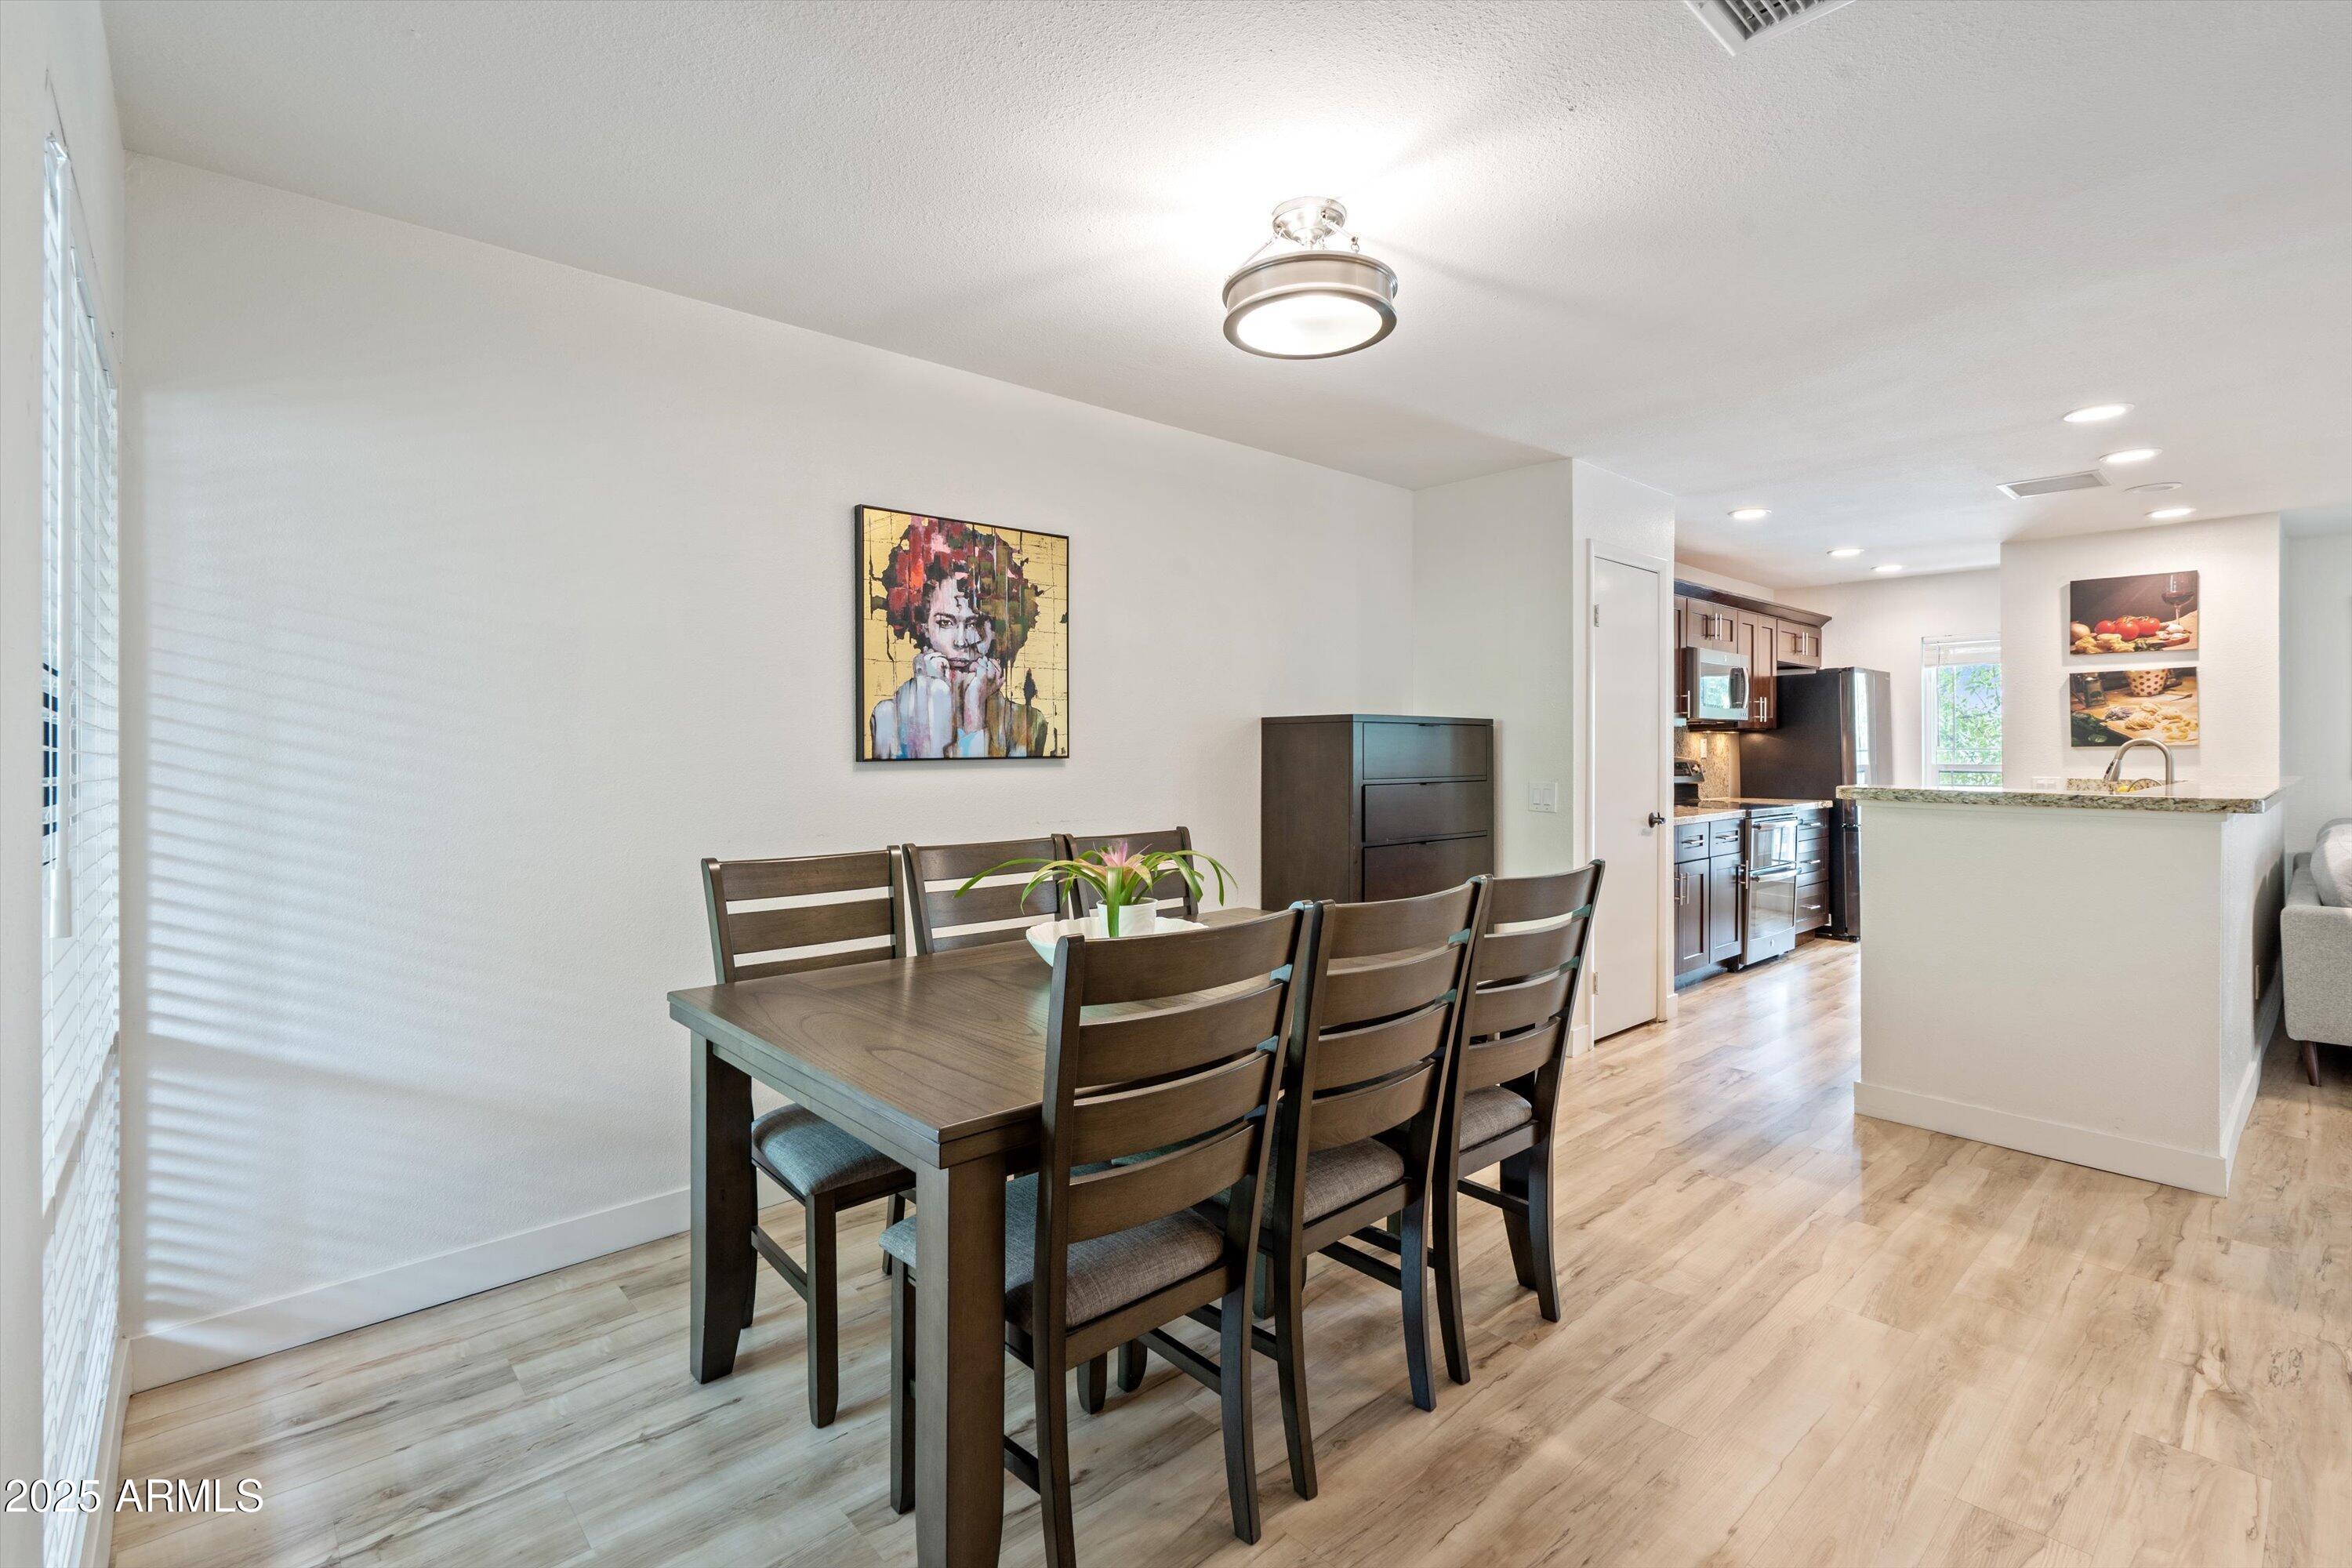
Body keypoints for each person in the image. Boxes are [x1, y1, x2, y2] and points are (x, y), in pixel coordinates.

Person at [869, 516, 1056, 758]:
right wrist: (937, 703)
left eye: (976, 623)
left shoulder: (1028, 723)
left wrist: (974, 714)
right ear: (923, 625)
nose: (961, 641)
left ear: (999, 628)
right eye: (945, 623)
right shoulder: (888, 717)